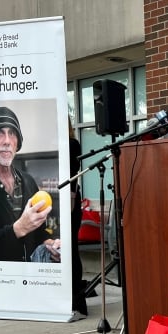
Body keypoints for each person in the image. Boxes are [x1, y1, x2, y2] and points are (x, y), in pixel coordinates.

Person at [0, 106, 61, 262]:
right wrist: (18, 229)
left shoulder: (28, 181)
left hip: (28, 278)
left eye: (12, 133)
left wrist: (49, 243)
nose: (7, 141)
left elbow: (40, 232)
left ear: (18, 143)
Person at [68, 118, 89, 316]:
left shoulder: (72, 144)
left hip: (69, 202)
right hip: (50, 203)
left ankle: (77, 300)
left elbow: (70, 170)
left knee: (70, 249)